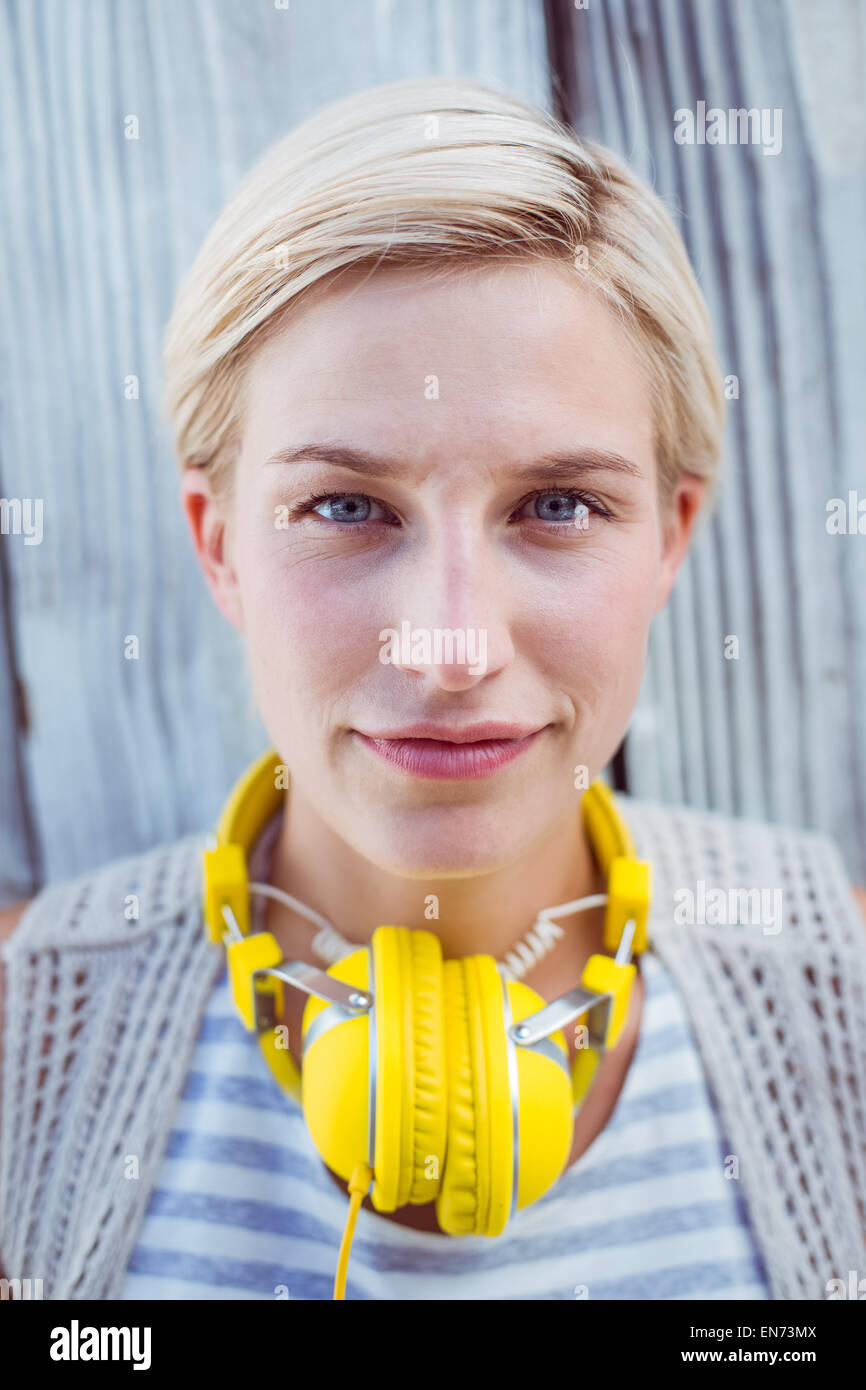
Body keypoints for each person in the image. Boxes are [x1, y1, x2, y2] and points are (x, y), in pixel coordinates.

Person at [1, 76, 865, 1302]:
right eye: (345, 507)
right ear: (219, 544)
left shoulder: (841, 1005)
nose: (450, 646)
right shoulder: (23, 1042)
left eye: (555, 505)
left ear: (669, 537)